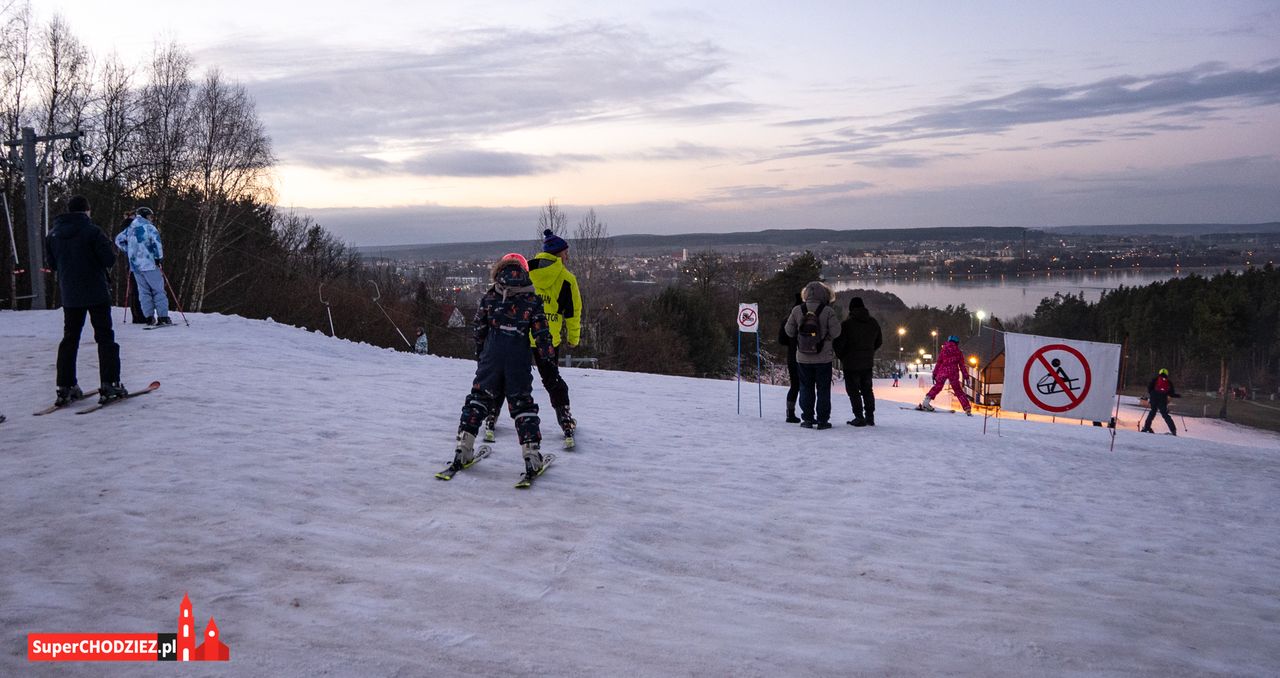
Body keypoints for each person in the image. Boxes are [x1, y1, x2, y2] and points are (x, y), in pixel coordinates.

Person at [445, 253, 556, 478]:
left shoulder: (490, 295)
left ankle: (462, 449)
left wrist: (482, 355)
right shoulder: (532, 299)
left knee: (478, 398)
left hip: (491, 354)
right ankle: (532, 456)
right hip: (518, 356)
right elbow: (542, 334)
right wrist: (547, 358)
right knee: (522, 403)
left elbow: (479, 328)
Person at [45, 195, 128, 405]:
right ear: (87, 211)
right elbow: (108, 259)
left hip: (70, 294)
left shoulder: (53, 234)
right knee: (105, 337)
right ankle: (110, 383)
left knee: (70, 338)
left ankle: (65, 386)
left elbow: (52, 264)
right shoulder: (92, 231)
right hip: (96, 291)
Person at [525, 228, 582, 439]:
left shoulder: (526, 272)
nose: (567, 256)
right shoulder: (567, 279)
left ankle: (490, 417)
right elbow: (573, 313)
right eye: (566, 252)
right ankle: (565, 418)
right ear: (558, 253)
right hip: (548, 339)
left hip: (521, 335)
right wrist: (574, 337)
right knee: (552, 379)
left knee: (510, 377)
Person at [784, 281, 841, 429]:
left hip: (802, 357)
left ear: (806, 294)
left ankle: (808, 419)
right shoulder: (828, 311)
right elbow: (836, 332)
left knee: (805, 387)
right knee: (823, 389)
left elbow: (789, 331)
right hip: (823, 358)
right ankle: (822, 420)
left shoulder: (797, 310)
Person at [113, 206, 171, 326]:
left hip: (135, 266)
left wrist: (129, 250)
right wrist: (158, 258)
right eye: (150, 216)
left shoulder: (130, 228)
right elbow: (157, 243)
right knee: (158, 290)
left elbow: (118, 240)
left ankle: (149, 317)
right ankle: (163, 317)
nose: (151, 219)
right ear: (145, 216)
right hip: (150, 264)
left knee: (143, 292)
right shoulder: (149, 227)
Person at [833, 296, 882, 426]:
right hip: (867, 363)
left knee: (853, 391)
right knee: (867, 390)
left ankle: (859, 416)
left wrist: (842, 357)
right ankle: (870, 417)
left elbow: (838, 345)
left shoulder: (846, 325)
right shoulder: (873, 323)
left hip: (850, 364)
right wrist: (869, 351)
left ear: (851, 309)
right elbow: (879, 341)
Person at [920, 335, 971, 415]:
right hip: (953, 372)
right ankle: (967, 408)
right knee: (958, 391)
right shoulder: (958, 351)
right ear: (957, 342)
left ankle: (926, 402)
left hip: (943, 371)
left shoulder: (944, 350)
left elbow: (939, 362)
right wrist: (966, 376)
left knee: (937, 387)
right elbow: (962, 365)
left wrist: (934, 373)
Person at [777, 292, 803, 423]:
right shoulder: (810, 317)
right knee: (807, 385)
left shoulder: (787, 319)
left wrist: (791, 343)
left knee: (794, 386)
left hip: (792, 356)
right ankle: (808, 414)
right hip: (809, 356)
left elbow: (781, 340)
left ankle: (790, 413)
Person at [117, 214, 148, 324]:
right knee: (135, 289)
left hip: (142, 262)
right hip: (133, 263)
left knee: (142, 289)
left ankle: (143, 314)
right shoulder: (127, 226)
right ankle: (138, 316)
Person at [1142, 368, 1180, 435]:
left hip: (1154, 398)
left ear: (1160, 373)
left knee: (1152, 412)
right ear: (1167, 374)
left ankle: (1146, 427)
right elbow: (1171, 393)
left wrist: (1152, 394)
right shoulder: (1168, 382)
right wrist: (1177, 395)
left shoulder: (1155, 379)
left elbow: (1149, 388)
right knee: (1165, 415)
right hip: (1162, 399)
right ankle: (1173, 430)